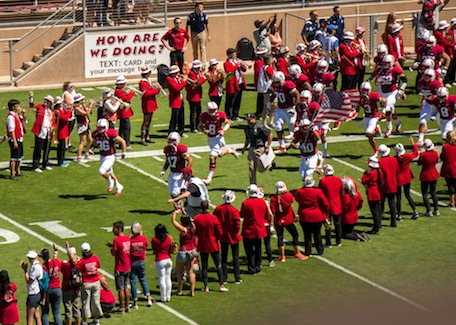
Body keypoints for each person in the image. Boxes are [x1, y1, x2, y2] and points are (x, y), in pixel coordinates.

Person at [198, 101, 238, 185]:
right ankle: (230, 150)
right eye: (211, 110)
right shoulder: (204, 116)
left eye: (214, 110)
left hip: (218, 137)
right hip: (210, 138)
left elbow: (228, 122)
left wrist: (223, 130)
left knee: (212, 157)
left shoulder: (220, 115)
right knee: (219, 154)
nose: (213, 112)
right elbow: (199, 126)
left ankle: (209, 177)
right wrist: (204, 131)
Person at [193, 201, 228, 292]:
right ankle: (221, 285)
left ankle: (206, 286)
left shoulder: (197, 218)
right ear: (208, 207)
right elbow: (219, 232)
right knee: (218, 265)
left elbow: (195, 232)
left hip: (203, 244)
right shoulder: (214, 218)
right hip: (213, 244)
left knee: (204, 266)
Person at [270, 181, 308, 262]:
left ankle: (282, 256)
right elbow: (291, 199)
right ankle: (297, 252)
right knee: (295, 235)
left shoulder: (273, 199)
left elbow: (272, 211)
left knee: (280, 237)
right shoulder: (288, 196)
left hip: (278, 220)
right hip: (288, 219)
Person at [89, 118, 126, 196]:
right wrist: (91, 148)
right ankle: (119, 186)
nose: (100, 129)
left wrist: (123, 153)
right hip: (102, 156)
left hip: (110, 156)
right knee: (110, 173)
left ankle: (110, 181)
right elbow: (95, 143)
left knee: (102, 171)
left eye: (102, 127)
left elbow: (123, 141)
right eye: (98, 127)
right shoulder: (95, 134)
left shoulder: (110, 133)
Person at [295, 176, 329, 256]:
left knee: (307, 235)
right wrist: (326, 213)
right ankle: (320, 250)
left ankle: (308, 251)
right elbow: (325, 203)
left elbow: (297, 199)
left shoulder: (300, 192)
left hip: (304, 216)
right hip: (317, 216)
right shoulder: (318, 192)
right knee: (317, 234)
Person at [213, 190, 242, 284]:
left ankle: (224, 277)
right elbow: (237, 224)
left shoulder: (218, 209)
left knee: (224, 257)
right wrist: (235, 232)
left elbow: (215, 220)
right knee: (235, 257)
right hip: (232, 235)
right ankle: (237, 277)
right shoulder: (234, 210)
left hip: (223, 235)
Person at [240, 185, 268, 274]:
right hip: (259, 228)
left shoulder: (246, 203)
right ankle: (258, 266)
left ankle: (251, 267)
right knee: (258, 249)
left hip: (249, 229)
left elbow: (242, 215)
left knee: (249, 250)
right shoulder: (262, 202)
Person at [375, 54, 404, 137]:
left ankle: (389, 129)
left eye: (387, 63)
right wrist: (378, 80)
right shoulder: (380, 70)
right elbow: (376, 82)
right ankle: (398, 123)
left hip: (392, 92)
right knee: (391, 110)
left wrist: (401, 90)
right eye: (384, 63)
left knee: (387, 110)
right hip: (383, 92)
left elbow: (404, 80)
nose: (385, 65)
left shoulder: (395, 70)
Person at [270, 71, 300, 153]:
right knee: (278, 126)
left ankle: (300, 141)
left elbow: (297, 95)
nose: (276, 84)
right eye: (275, 82)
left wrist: (294, 107)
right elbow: (274, 94)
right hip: (280, 109)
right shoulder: (274, 85)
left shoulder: (288, 85)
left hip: (289, 108)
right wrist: (270, 102)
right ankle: (282, 146)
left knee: (292, 125)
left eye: (278, 82)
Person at [161, 132, 193, 207]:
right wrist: (163, 170)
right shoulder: (167, 149)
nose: (171, 142)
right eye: (170, 140)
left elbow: (190, 160)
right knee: (172, 192)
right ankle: (179, 205)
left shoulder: (180, 149)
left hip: (180, 174)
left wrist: (185, 171)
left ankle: (180, 206)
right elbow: (168, 161)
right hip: (172, 173)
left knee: (175, 193)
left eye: (173, 140)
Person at [106, 221, 131, 313]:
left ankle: (121, 307)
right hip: (127, 265)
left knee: (120, 289)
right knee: (126, 287)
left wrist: (111, 248)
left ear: (119, 229)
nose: (113, 230)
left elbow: (114, 253)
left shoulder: (116, 240)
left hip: (120, 268)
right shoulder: (127, 238)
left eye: (114, 228)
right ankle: (127, 306)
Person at [171, 210, 197, 296]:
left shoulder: (184, 230)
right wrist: (183, 211)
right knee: (191, 272)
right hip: (192, 252)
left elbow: (174, 222)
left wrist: (174, 213)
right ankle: (192, 292)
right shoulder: (193, 226)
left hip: (183, 252)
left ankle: (179, 290)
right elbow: (190, 220)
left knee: (180, 273)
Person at [242, 114, 274, 185]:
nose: (249, 121)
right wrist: (244, 148)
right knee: (251, 168)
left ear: (254, 119)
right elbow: (247, 139)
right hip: (251, 148)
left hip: (260, 148)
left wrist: (268, 146)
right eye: (248, 119)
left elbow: (270, 134)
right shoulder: (246, 128)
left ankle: (270, 164)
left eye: (250, 119)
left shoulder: (260, 126)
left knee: (261, 169)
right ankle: (253, 186)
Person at [319, 164, 344, 247]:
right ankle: (338, 241)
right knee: (338, 224)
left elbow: (320, 194)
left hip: (327, 205)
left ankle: (328, 242)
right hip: (337, 204)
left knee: (328, 224)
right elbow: (342, 193)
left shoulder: (323, 181)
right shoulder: (338, 180)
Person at [357, 82, 385, 155]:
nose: (364, 91)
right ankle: (375, 150)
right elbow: (357, 108)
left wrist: (383, 111)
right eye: (363, 90)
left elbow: (384, 100)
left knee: (368, 133)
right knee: (369, 137)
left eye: (366, 90)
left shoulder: (374, 95)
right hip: (366, 117)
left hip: (374, 116)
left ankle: (376, 129)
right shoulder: (360, 98)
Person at [394, 138, 419, 220]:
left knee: (398, 197)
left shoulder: (394, 159)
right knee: (407, 195)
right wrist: (413, 143)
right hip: (406, 177)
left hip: (398, 179)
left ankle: (399, 215)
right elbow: (415, 153)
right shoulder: (407, 156)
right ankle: (415, 211)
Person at [77, 243, 102, 325]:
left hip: (87, 283)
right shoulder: (95, 258)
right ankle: (96, 319)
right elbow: (98, 266)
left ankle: (84, 320)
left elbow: (79, 270)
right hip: (96, 282)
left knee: (85, 302)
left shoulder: (82, 261)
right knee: (95, 301)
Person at [129, 221, 153, 308]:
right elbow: (145, 246)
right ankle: (149, 299)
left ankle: (135, 302)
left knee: (133, 282)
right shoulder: (144, 239)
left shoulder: (130, 241)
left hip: (133, 262)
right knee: (143, 279)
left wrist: (130, 236)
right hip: (141, 261)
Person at [378, 144, 400, 228]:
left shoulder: (380, 162)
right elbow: (397, 171)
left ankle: (379, 222)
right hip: (393, 184)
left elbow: (380, 175)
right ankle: (393, 222)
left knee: (381, 204)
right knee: (392, 204)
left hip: (384, 186)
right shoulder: (394, 160)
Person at [341, 177, 369, 241]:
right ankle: (360, 235)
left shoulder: (346, 197)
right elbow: (360, 204)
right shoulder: (357, 194)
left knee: (345, 233)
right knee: (350, 230)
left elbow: (344, 208)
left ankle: (356, 237)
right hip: (354, 216)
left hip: (346, 218)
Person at [32, 95, 55, 173]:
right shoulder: (40, 107)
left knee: (47, 149)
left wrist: (53, 127)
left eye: (47, 101)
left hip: (48, 131)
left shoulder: (51, 111)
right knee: (38, 149)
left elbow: (54, 122)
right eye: (45, 100)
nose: (45, 102)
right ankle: (35, 165)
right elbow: (32, 105)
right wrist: (31, 97)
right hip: (40, 130)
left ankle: (45, 164)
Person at [138, 66, 161, 146]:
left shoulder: (148, 81)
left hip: (151, 102)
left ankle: (147, 136)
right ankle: (143, 138)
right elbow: (146, 93)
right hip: (147, 103)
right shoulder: (142, 82)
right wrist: (156, 90)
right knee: (146, 121)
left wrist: (155, 90)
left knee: (149, 121)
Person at [40, 246, 62, 325]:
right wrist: (56, 251)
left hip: (47, 291)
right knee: (57, 312)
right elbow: (55, 259)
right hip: (57, 289)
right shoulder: (55, 262)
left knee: (45, 313)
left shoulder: (42, 267)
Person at [224, 48, 248, 121]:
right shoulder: (227, 63)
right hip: (232, 85)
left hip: (239, 83)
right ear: (229, 55)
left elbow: (244, 70)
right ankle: (228, 116)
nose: (235, 55)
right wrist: (237, 65)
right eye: (233, 54)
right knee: (230, 101)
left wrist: (242, 65)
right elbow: (229, 70)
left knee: (238, 100)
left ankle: (235, 115)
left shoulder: (236, 61)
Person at [151, 224, 173, 302]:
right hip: (168, 259)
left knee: (161, 279)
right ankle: (168, 296)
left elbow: (154, 249)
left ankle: (163, 297)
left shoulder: (154, 240)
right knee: (168, 278)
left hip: (160, 260)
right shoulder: (169, 238)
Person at [361, 156, 384, 234]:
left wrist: (364, 174)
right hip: (377, 191)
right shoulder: (379, 171)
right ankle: (377, 226)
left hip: (372, 193)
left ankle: (376, 228)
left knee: (374, 211)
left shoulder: (372, 172)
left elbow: (364, 180)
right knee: (377, 210)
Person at [20, 250, 43, 325]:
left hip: (33, 294)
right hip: (37, 293)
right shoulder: (37, 265)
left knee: (29, 318)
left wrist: (25, 271)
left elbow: (28, 281)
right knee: (37, 316)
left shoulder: (35, 268)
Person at [60, 246, 81, 325]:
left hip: (67, 288)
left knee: (68, 310)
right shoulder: (80, 263)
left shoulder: (65, 264)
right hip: (77, 288)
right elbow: (76, 259)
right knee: (76, 308)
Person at [418, 139, 440, 217]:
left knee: (425, 193)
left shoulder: (423, 155)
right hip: (433, 174)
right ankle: (436, 210)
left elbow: (419, 163)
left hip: (425, 175)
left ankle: (428, 210)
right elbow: (436, 160)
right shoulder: (435, 153)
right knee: (433, 192)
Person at [114, 76, 135, 151]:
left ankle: (121, 143)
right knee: (126, 128)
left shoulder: (120, 90)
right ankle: (127, 144)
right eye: (123, 83)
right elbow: (127, 99)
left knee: (122, 128)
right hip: (123, 112)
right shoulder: (118, 91)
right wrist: (132, 92)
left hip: (124, 111)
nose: (125, 85)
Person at [6, 99, 25, 180]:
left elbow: (24, 121)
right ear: (13, 107)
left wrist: (24, 114)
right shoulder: (10, 117)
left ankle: (18, 172)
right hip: (15, 139)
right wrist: (14, 142)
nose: (19, 107)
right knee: (14, 157)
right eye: (18, 106)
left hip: (19, 138)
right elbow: (11, 130)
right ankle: (12, 174)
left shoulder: (17, 115)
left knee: (19, 157)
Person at [166, 65, 188, 136]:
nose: (177, 74)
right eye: (175, 72)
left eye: (177, 72)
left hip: (180, 98)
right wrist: (184, 81)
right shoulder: (169, 79)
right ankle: (171, 132)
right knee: (174, 117)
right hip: (175, 100)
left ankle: (181, 131)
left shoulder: (177, 78)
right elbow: (176, 88)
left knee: (181, 116)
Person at [186, 59, 206, 133]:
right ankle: (193, 127)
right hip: (193, 96)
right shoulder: (191, 73)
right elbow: (196, 83)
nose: (199, 68)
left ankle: (198, 125)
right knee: (193, 112)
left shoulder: (197, 73)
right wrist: (204, 78)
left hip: (197, 95)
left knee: (198, 112)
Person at [73, 94, 94, 163]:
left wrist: (90, 106)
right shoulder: (76, 108)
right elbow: (86, 113)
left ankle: (86, 153)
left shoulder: (81, 106)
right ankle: (79, 157)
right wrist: (90, 105)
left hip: (86, 124)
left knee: (90, 140)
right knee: (82, 141)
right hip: (82, 125)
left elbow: (90, 112)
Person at [53, 97, 72, 168]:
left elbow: (67, 115)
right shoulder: (58, 111)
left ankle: (61, 161)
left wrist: (68, 110)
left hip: (64, 130)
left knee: (62, 147)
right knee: (61, 148)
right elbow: (65, 118)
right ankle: (60, 162)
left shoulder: (61, 109)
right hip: (61, 131)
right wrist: (69, 110)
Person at [440, 131, 456, 208]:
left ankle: (452, 202)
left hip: (448, 167)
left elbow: (442, 157)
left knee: (450, 185)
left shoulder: (446, 147)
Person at [62, 81, 76, 151]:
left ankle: (68, 143)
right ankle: (65, 145)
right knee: (67, 131)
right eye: (70, 87)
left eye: (73, 86)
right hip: (68, 115)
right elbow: (69, 104)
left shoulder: (72, 93)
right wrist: (77, 105)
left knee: (70, 131)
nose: (72, 88)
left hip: (72, 114)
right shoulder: (66, 94)